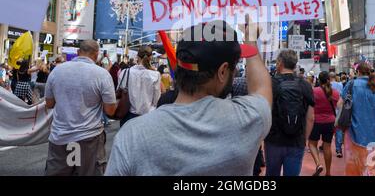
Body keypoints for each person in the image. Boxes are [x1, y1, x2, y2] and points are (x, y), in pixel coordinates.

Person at [105, 20, 272, 176]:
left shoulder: (132, 135)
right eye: (233, 68)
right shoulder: (247, 120)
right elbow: (262, 87)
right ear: (222, 72)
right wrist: (250, 40)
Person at [44, 40, 117, 176]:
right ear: (97, 55)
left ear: (78, 52)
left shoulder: (56, 71)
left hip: (60, 137)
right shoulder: (102, 74)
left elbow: (49, 104)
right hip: (90, 138)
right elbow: (110, 111)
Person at [264, 49, 315, 176]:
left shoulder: (270, 83)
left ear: (280, 63)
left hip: (273, 140)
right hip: (296, 141)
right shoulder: (305, 85)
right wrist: (304, 139)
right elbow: (311, 118)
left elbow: (264, 114)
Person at [338, 62, 375, 176]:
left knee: (353, 169)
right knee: (374, 171)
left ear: (358, 72)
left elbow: (340, 104)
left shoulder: (351, 85)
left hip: (353, 134)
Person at [117, 46, 161, 127]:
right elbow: (156, 100)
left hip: (128, 116)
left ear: (137, 57)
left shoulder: (125, 72)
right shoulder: (155, 74)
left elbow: (120, 92)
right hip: (148, 116)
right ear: (150, 57)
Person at [309, 72, 340, 176]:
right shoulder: (335, 93)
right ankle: (328, 172)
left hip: (316, 121)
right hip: (330, 122)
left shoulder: (314, 92)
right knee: (327, 147)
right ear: (329, 80)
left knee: (312, 144)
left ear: (319, 80)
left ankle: (318, 164)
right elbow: (338, 106)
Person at [330, 72, 344, 158]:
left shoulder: (327, 85)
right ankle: (338, 149)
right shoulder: (340, 85)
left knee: (328, 128)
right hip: (338, 109)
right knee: (338, 129)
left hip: (329, 109)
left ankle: (325, 145)